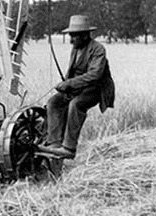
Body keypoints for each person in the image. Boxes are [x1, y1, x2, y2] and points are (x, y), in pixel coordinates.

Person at [38, 14, 115, 159]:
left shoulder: (98, 49)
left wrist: (69, 84)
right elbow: (72, 71)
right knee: (53, 103)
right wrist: (65, 86)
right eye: (70, 36)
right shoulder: (76, 48)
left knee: (76, 104)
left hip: (96, 89)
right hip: (78, 88)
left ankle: (69, 148)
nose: (71, 40)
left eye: (74, 36)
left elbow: (95, 75)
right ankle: (54, 143)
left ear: (85, 36)